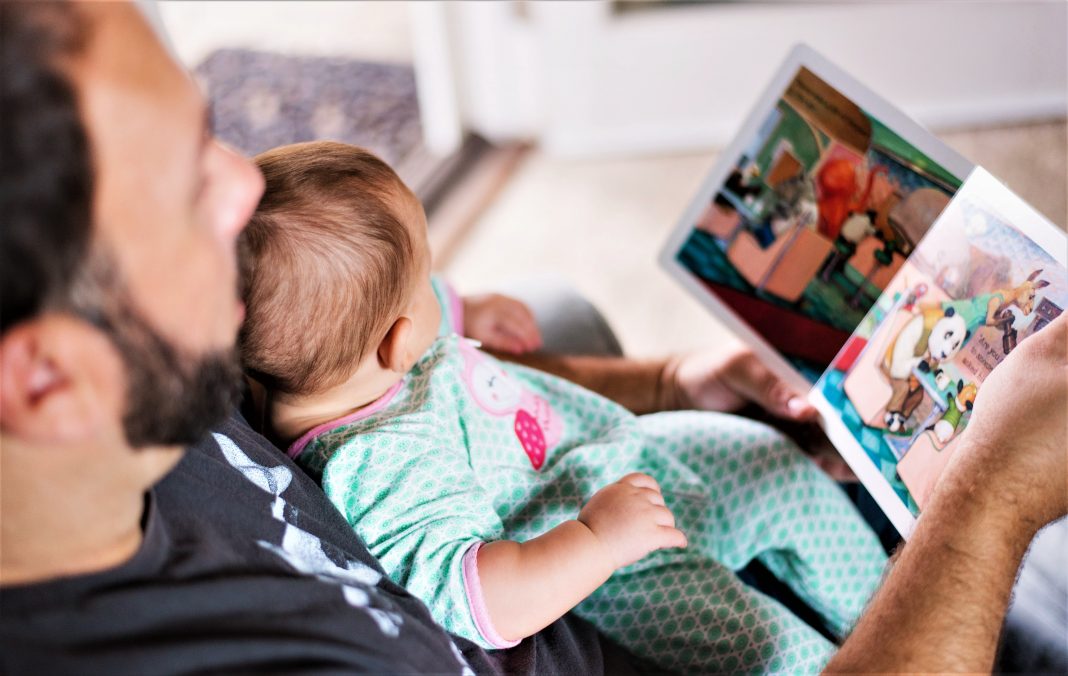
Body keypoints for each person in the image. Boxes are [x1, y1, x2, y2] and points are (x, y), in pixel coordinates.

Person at [0, 2, 1064, 674]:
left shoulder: (179, 355)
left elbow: (411, 371)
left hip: (596, 473)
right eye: (185, 182)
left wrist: (657, 377)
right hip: (649, 594)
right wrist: (993, 494)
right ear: (45, 379)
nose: (244, 181)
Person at [238, 140, 888, 673]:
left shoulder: (350, 359)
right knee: (772, 654)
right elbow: (481, 600)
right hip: (615, 566)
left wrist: (465, 306)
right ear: (399, 342)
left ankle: (887, 608)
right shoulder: (379, 465)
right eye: (426, 279)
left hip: (613, 452)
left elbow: (399, 304)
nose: (437, 286)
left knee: (770, 459)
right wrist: (597, 540)